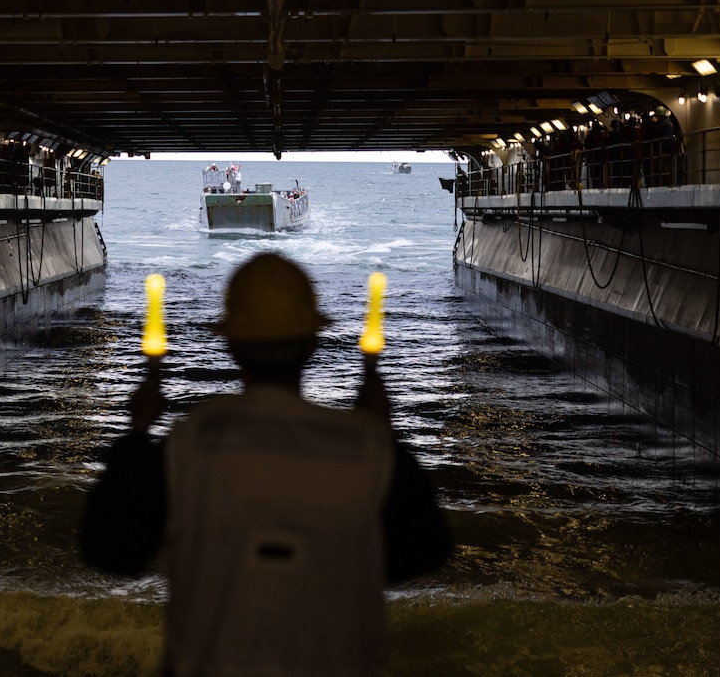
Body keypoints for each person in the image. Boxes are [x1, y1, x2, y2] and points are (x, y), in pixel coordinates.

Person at [80, 252, 452, 677]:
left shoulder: (183, 449)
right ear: (312, 345)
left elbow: (110, 550)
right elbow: (424, 551)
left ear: (232, 346)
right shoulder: (369, 451)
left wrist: (138, 436)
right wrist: (384, 433)